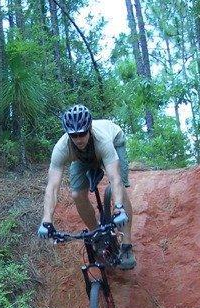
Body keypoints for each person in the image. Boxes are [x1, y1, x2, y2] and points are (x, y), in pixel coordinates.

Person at [37, 104, 136, 269]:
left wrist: (118, 208)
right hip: (81, 157)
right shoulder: (62, 147)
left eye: (82, 133)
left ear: (89, 128)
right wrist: (46, 220)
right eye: (73, 135)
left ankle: (126, 246)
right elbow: (52, 187)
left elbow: (115, 177)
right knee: (76, 194)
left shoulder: (103, 140)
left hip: (114, 141)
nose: (78, 139)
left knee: (120, 189)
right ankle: (97, 235)